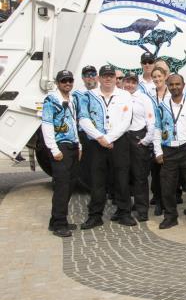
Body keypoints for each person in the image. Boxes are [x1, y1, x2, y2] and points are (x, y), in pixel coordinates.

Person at [78, 65, 134, 229]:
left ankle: (124, 213)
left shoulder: (124, 95)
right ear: (99, 78)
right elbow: (83, 119)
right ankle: (95, 215)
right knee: (97, 180)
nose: (108, 78)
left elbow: (126, 120)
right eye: (104, 76)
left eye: (111, 75)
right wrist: (100, 137)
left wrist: (109, 138)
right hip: (97, 143)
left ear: (115, 78)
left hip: (119, 141)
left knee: (121, 179)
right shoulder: (89, 96)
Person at [153, 73, 186, 230]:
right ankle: (170, 217)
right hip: (168, 149)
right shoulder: (162, 106)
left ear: (183, 85)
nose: (174, 87)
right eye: (171, 84)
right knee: (167, 186)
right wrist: (158, 151)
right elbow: (157, 129)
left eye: (177, 84)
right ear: (167, 86)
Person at [41, 69, 81, 237]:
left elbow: (74, 123)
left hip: (72, 146)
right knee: (62, 187)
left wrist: (79, 145)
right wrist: (54, 149)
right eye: (64, 80)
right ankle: (59, 224)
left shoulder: (72, 99)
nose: (67, 83)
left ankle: (55, 220)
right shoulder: (51, 100)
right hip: (60, 146)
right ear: (58, 83)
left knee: (70, 185)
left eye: (70, 80)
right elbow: (46, 124)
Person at [122, 73, 156, 222]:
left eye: (133, 82)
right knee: (122, 176)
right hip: (122, 137)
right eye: (127, 82)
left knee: (140, 176)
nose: (129, 85)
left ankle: (142, 210)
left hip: (138, 137)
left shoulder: (144, 98)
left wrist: (146, 140)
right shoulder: (120, 97)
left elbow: (151, 121)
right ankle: (124, 208)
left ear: (137, 84)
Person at [149, 66, 170, 216]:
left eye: (159, 76)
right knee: (156, 172)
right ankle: (158, 201)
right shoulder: (148, 95)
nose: (157, 79)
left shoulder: (172, 94)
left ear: (165, 76)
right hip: (154, 137)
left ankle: (168, 201)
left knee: (168, 174)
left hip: (169, 138)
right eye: (154, 77)